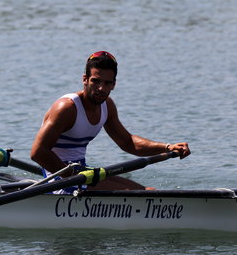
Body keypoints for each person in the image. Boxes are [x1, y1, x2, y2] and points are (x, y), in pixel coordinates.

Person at [30, 51, 191, 191]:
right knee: (139, 194)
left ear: (114, 84)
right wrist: (71, 174)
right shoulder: (66, 108)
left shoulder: (107, 106)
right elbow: (38, 152)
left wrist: (167, 147)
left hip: (82, 174)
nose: (101, 88)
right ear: (85, 79)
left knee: (146, 190)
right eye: (95, 81)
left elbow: (128, 142)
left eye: (107, 83)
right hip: (59, 179)